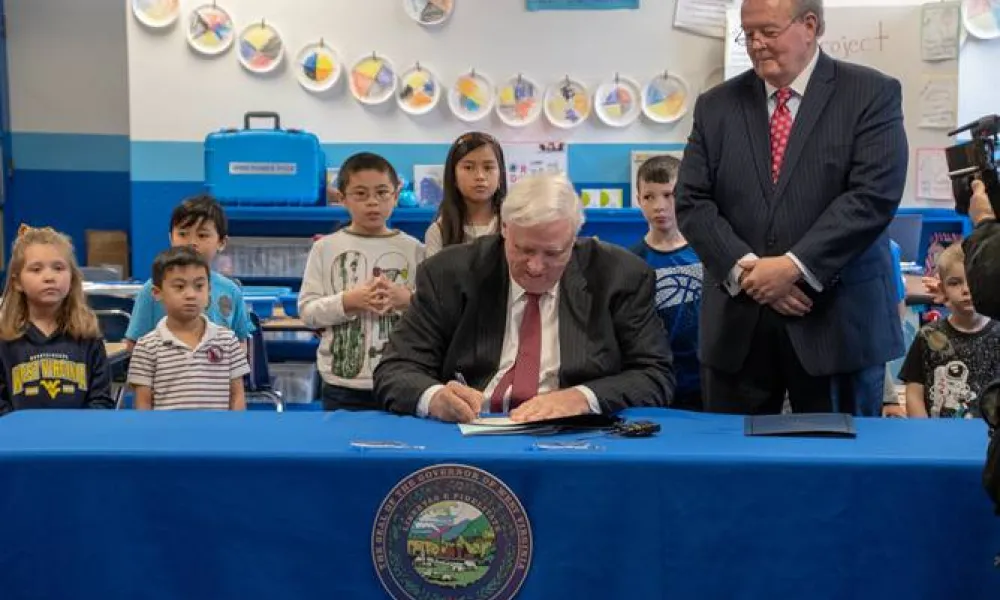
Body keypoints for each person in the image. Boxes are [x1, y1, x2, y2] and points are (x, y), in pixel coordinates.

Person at [675, 0, 908, 416]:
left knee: (841, 472)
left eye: (768, 31)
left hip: (838, 327)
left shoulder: (871, 94)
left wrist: (792, 268)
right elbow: (692, 201)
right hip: (739, 331)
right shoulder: (716, 106)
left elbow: (872, 196)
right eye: (747, 34)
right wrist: (751, 272)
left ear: (810, 25)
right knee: (734, 472)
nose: (756, 44)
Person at [374, 172, 675, 423]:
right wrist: (435, 398)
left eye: (554, 253)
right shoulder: (449, 274)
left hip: (577, 434)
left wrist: (581, 397)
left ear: (574, 239)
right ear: (504, 229)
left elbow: (654, 374)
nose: (535, 267)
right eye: (524, 250)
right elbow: (396, 368)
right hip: (470, 433)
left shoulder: (619, 276)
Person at [298, 153, 424, 411]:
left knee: (400, 447)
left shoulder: (414, 249)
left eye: (382, 193)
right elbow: (308, 313)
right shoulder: (324, 248)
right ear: (342, 198)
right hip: (341, 384)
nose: (373, 203)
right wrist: (348, 302)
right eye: (361, 194)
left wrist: (406, 300)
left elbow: (433, 312)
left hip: (401, 379)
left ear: (396, 195)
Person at [0, 226, 112, 414]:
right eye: (36, 269)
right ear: (17, 282)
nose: (49, 277)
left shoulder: (88, 337)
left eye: (58, 268)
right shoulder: (5, 338)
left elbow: (101, 400)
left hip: (77, 439)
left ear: (72, 278)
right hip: (19, 440)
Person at [124, 194, 253, 351]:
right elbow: (134, 344)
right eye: (183, 234)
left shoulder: (231, 290)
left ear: (221, 242)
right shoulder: (153, 289)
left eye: (202, 235)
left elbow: (241, 342)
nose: (192, 242)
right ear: (171, 238)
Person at [127, 247, 250, 410]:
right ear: (157, 293)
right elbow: (143, 404)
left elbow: (237, 397)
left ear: (209, 291)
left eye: (199, 286)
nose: (191, 295)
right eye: (179, 287)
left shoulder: (228, 341)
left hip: (218, 433)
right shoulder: (146, 347)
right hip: (168, 434)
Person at [629, 155, 704, 410]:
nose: (659, 206)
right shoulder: (630, 262)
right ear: (638, 200)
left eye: (668, 194)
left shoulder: (707, 252)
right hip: (661, 380)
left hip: (707, 376)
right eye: (649, 197)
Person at [898, 243, 1000, 418]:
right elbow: (914, 391)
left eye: (974, 280)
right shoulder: (928, 336)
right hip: (938, 436)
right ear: (942, 289)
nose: (966, 290)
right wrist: (924, 431)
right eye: (955, 283)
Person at [424, 132, 507, 258]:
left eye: (488, 167)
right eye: (468, 168)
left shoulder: (513, 225)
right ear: (453, 177)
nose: (480, 176)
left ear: (500, 175)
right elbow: (434, 277)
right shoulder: (440, 231)